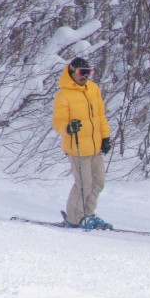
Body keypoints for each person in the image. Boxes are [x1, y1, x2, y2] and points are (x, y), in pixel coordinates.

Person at [52, 57, 113, 229]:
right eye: (81, 72)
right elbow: (58, 122)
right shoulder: (63, 95)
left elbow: (100, 116)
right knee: (84, 184)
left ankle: (87, 213)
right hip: (77, 147)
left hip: (95, 146)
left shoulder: (93, 89)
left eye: (88, 72)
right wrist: (68, 127)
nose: (85, 76)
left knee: (98, 182)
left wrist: (105, 137)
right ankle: (74, 218)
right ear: (71, 72)